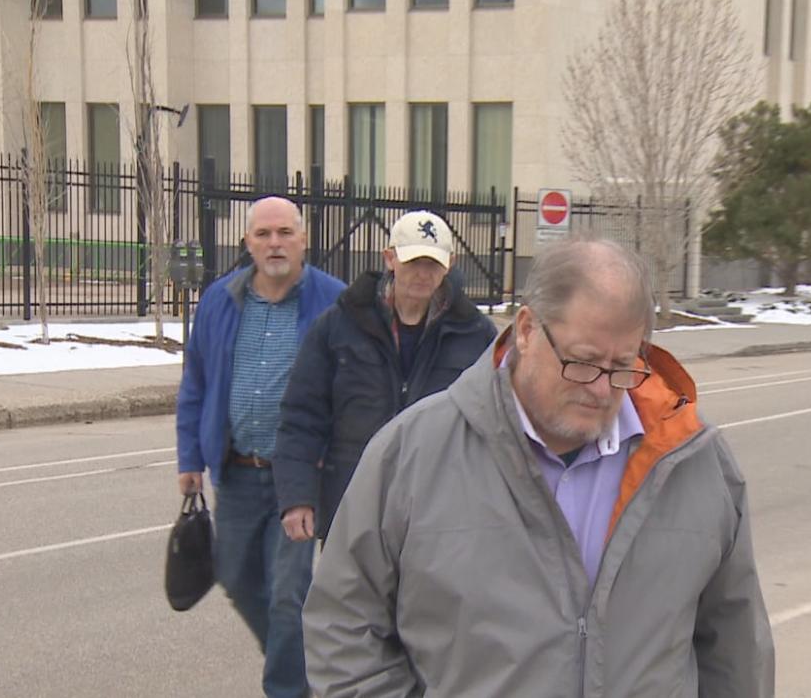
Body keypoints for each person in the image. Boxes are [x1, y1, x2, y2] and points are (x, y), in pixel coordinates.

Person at [303, 238, 775, 697]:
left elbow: (735, 648)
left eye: (622, 366)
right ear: (527, 330)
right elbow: (344, 624)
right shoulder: (412, 453)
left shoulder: (694, 461)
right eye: (584, 362)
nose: (601, 389)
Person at [175, 196, 344, 698]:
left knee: (289, 597)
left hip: (299, 477)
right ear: (247, 242)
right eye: (264, 234)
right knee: (235, 579)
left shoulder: (334, 303)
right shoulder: (218, 300)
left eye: (285, 233)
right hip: (237, 470)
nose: (275, 243)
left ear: (304, 239)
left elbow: (350, 389)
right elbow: (196, 382)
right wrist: (189, 459)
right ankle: (308, 677)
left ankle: (287, 690)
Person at [274, 210, 497, 543]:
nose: (422, 274)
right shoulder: (339, 325)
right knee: (350, 596)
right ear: (390, 258)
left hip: (439, 512)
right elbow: (302, 415)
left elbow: (493, 425)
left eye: (432, 264)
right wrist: (297, 497)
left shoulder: (476, 334)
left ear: (449, 264)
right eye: (412, 263)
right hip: (352, 504)